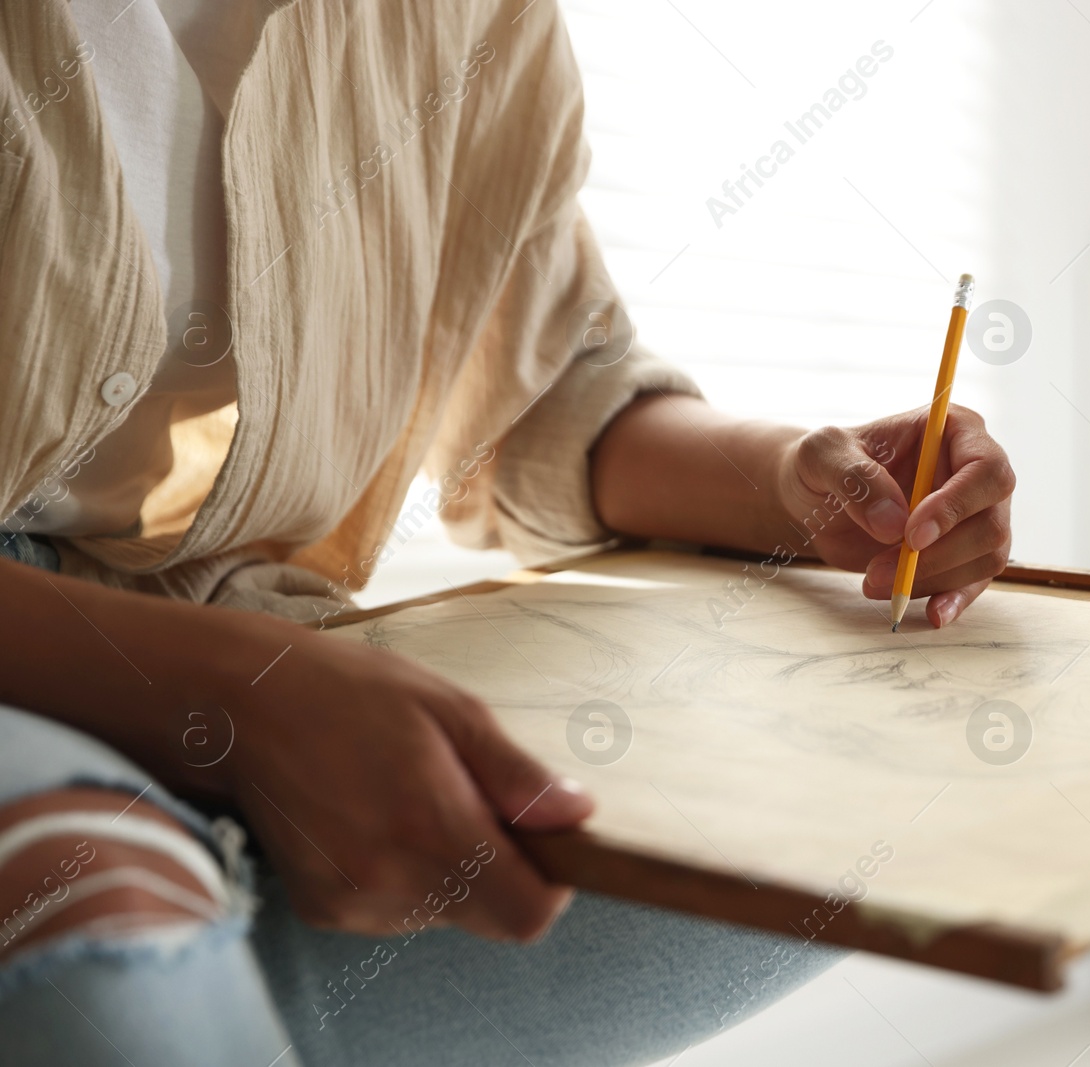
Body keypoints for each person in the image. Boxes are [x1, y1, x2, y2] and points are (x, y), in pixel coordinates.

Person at [0, 1, 1016, 1063]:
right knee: (97, 923)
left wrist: (796, 484)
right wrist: (223, 694)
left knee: (894, 763)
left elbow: (548, 388)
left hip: (262, 645)